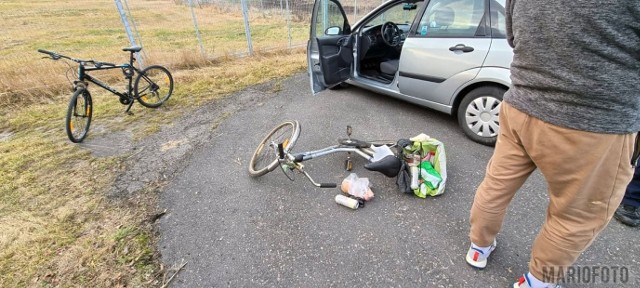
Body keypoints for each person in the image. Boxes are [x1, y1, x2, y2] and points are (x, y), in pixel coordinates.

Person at [464, 1, 640, 288]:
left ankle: (478, 248)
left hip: (521, 107)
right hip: (594, 125)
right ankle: (538, 281)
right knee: (575, 216)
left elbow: (513, 36)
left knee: (496, 186)